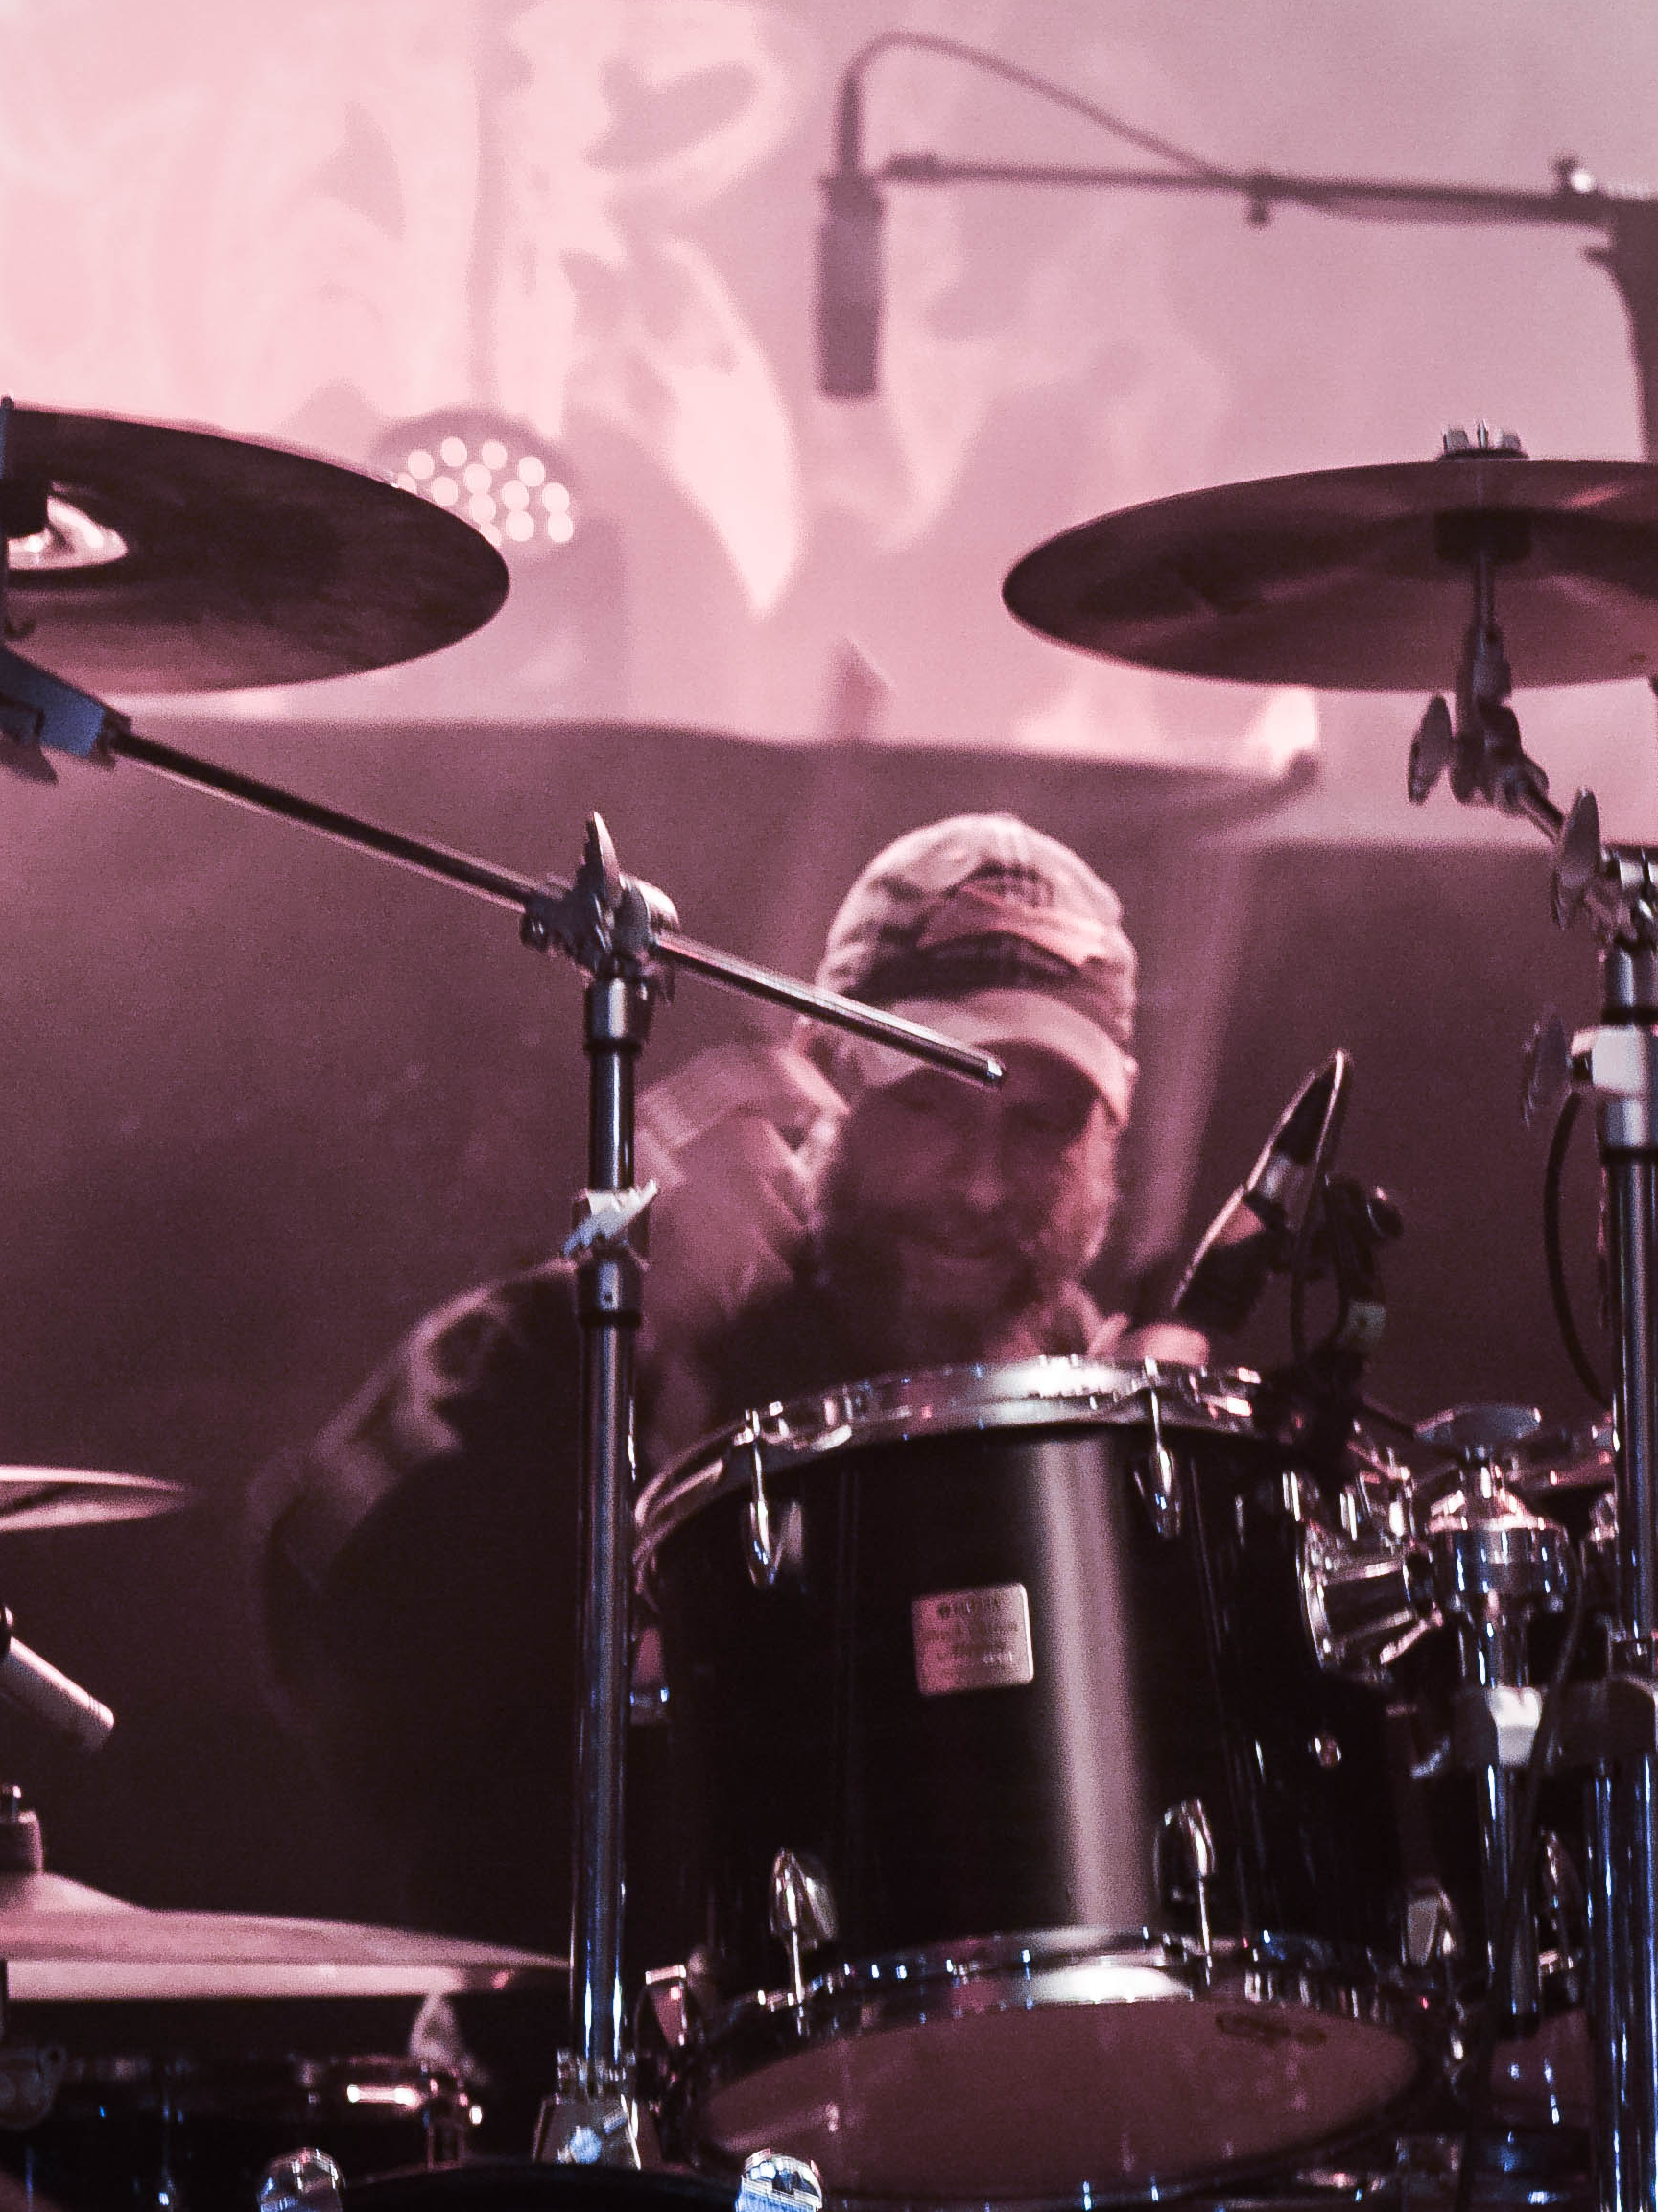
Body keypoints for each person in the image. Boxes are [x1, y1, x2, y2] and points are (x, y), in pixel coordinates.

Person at [250, 812, 1148, 1948]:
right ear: (821, 1075)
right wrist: (632, 1338)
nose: (978, 1185)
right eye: (928, 1100)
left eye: (1041, 1126)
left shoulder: (1131, 1425)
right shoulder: (590, 1319)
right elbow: (341, 1642)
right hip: (597, 2046)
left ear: (1110, 1140)